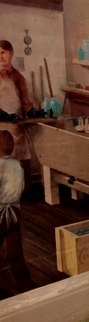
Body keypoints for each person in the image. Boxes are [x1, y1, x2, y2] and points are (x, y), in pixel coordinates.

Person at [0, 130, 33, 291]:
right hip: (14, 212)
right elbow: (20, 188)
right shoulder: (17, 164)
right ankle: (26, 285)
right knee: (15, 253)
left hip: (0, 214)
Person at [0, 40, 33, 191]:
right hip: (1, 127)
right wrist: (5, 116)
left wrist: (31, 112)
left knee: (23, 158)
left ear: (11, 52)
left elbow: (25, 101)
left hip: (17, 126)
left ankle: (24, 191)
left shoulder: (18, 76)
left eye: (2, 52)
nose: (0, 57)